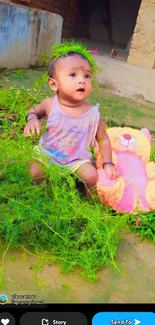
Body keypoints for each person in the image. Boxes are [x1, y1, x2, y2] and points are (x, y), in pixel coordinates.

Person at [24, 41, 118, 199]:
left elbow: (103, 139)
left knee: (91, 176)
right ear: (54, 84)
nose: (82, 80)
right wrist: (32, 119)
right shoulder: (50, 104)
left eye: (87, 75)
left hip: (76, 160)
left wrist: (108, 163)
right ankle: (43, 196)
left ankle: (88, 202)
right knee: (35, 172)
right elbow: (33, 111)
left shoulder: (92, 114)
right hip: (48, 155)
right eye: (73, 75)